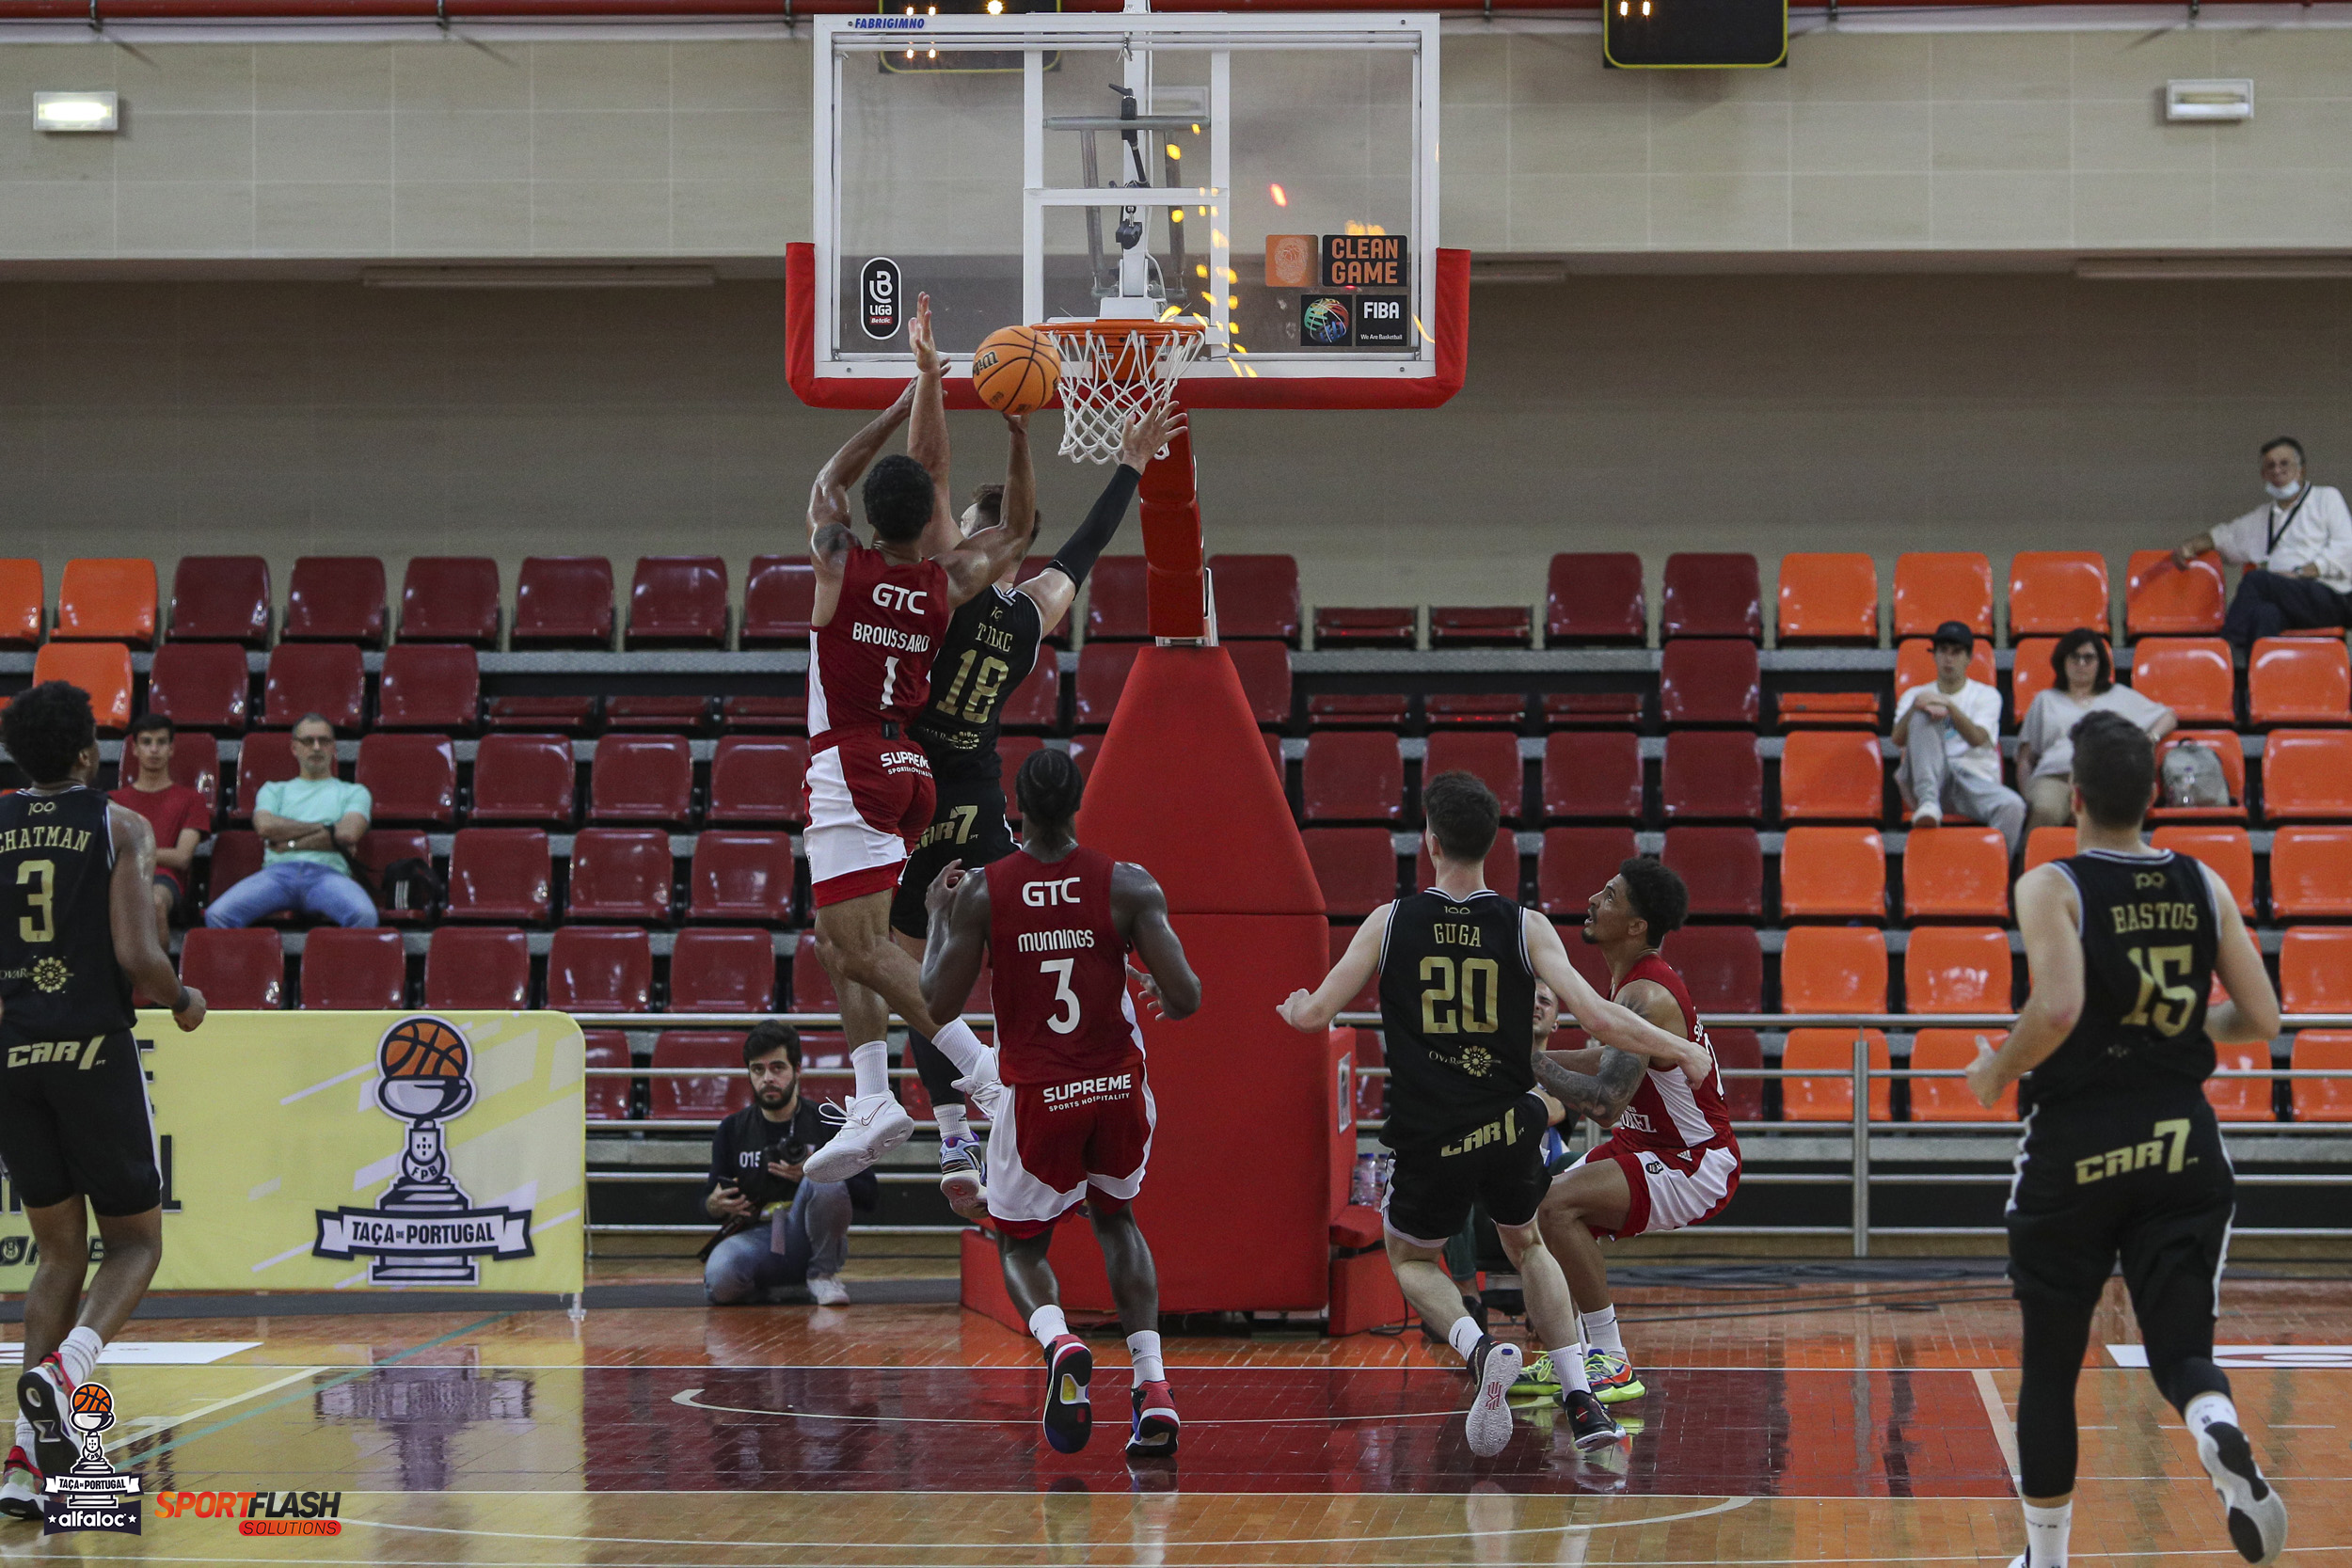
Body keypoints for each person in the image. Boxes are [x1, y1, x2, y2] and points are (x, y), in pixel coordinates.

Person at [1277, 772, 1715, 1457]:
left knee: (1410, 1255)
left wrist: (1297, 1003)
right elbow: (1599, 1018)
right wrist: (1679, 1048)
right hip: (1511, 1121)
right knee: (1529, 1243)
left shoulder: (1389, 922)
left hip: (1432, 1129)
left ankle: (1480, 1351)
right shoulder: (1525, 924)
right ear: (1494, 844)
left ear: (1428, 839)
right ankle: (1581, 1396)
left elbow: (1314, 1017)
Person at [1965, 710, 2287, 1568]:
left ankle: (2047, 1557)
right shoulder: (2203, 881)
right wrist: (2182, 1029)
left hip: (2077, 1143)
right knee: (2182, 1350)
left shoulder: (2052, 881)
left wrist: (1997, 1069)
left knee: (2051, 1366)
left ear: (2073, 796)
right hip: (2183, 1140)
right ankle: (2216, 1424)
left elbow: (2062, 1006)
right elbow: (2262, 1016)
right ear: (2154, 796)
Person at [890, 397, 1181, 1221]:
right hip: (983, 799)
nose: (969, 539)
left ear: (985, 539)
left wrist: (928, 385)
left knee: (906, 963)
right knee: (997, 950)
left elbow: (932, 483)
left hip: (920, 791)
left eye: (977, 531)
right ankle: (1001, 1104)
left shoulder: (947, 592)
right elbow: (1084, 546)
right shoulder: (1028, 616)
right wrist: (1127, 462)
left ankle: (952, 1126)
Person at [796, 293, 1041, 1187]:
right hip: (909, 769)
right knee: (835, 942)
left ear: (866, 516)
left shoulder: (837, 561)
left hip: (852, 764)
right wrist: (1015, 437)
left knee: (862, 950)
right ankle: (871, 1097)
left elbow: (826, 477)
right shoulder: (945, 583)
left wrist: (909, 397)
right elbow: (1016, 531)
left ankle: (982, 1080)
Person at [919, 748, 1200, 1459]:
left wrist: (934, 920)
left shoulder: (984, 890)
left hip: (1039, 1096)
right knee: (1117, 1219)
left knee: (1020, 1241)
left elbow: (937, 1004)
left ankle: (1060, 1338)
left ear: (1016, 805)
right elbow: (1188, 997)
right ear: (1077, 805)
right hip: (1116, 1089)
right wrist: (1154, 986)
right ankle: (1154, 1387)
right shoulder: (1128, 884)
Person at [0, 681, 205, 1522]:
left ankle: (20, 1464)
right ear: (89, 753)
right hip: (91, 1044)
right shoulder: (120, 824)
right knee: (135, 1244)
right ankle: (65, 1370)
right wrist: (185, 997)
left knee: (55, 1253)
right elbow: (136, 952)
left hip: (14, 1053)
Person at [1524, 859, 1739, 1413]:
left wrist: (1528, 1062)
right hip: (1644, 1145)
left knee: (1556, 1208)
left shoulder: (1647, 995)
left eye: (1611, 896)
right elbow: (1607, 1057)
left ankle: (1611, 1358)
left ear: (1637, 925)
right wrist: (1527, 1064)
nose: (1594, 898)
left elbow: (1604, 1098)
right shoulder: (1629, 987)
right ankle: (1571, 1355)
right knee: (1540, 1202)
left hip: (1692, 1159)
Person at [702, 1022, 875, 1308]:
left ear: (797, 1070)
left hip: (810, 1237)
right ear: (749, 1074)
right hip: (758, 1235)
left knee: (825, 1173)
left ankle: (822, 1275)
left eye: (778, 1068)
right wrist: (715, 1204)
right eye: (758, 1069)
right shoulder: (732, 1129)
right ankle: (782, 1287)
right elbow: (707, 1203)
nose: (767, 1078)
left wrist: (812, 1172)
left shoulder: (826, 1121)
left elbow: (870, 1195)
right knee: (720, 1280)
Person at [2172, 436, 2352, 653]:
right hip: (2289, 604)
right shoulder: (2263, 517)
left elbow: (2346, 548)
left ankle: (2222, 650)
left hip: (2331, 596)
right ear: (2263, 475)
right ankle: (2256, 682)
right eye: (2270, 466)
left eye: (2284, 463)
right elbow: (2226, 536)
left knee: (2257, 580)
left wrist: (2301, 573)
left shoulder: (2326, 498)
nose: (2277, 470)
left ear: (2301, 470)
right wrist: (2190, 546)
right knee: (2264, 614)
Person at [204, 714, 375, 930]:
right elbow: (265, 827)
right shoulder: (274, 790)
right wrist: (327, 828)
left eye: (323, 741)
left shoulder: (354, 792)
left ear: (333, 747)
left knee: (364, 916)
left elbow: (348, 833)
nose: (316, 747)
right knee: (218, 916)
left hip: (329, 874)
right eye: (307, 741)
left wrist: (291, 843)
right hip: (277, 875)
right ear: (294, 748)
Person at [2015, 628, 2178, 832]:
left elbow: (2169, 716)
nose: (2081, 664)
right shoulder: (2045, 699)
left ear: (2100, 663)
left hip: (2104, 780)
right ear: (2062, 661)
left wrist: (2150, 738)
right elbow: (2025, 758)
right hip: (2054, 777)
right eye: (2074, 657)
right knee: (2046, 811)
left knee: (2108, 817)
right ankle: (2031, 863)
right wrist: (2027, 795)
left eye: (2088, 658)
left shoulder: (2119, 696)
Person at [1892, 620, 2026, 856]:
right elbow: (1897, 739)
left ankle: (1991, 871)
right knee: (1922, 716)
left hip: (1972, 779)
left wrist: (1949, 707)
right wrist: (1916, 707)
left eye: (1956, 653)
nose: (1949, 659)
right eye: (1943, 651)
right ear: (1934, 656)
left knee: (2013, 807)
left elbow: (1977, 738)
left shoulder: (1987, 695)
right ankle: (1929, 801)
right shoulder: (1916, 694)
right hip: (1928, 777)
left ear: (1969, 657)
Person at [106, 713, 209, 951]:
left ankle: (158, 985)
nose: (154, 749)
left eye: (161, 742)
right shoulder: (114, 800)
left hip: (165, 879)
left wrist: (131, 852)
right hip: (121, 876)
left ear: (171, 749)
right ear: (135, 748)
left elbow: (181, 857)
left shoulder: (191, 799)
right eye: (146, 742)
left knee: (154, 902)